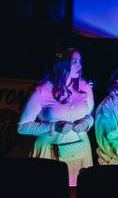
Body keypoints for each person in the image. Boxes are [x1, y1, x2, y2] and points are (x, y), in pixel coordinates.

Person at [18, 50, 94, 185]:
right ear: (61, 64)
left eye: (80, 62)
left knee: (77, 194)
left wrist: (87, 123)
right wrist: (54, 127)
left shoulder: (85, 87)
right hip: (50, 153)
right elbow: (22, 127)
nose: (80, 66)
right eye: (75, 62)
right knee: (50, 193)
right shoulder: (42, 90)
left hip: (80, 152)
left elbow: (90, 115)